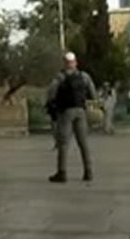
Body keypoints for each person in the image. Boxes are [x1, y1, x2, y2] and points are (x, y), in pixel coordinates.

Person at [46, 51, 96, 183]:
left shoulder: (60, 77)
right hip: (81, 111)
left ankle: (62, 173)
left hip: (66, 112)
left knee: (63, 143)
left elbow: (51, 93)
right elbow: (93, 94)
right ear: (76, 63)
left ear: (64, 63)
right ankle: (88, 171)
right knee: (83, 143)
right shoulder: (84, 76)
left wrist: (52, 105)